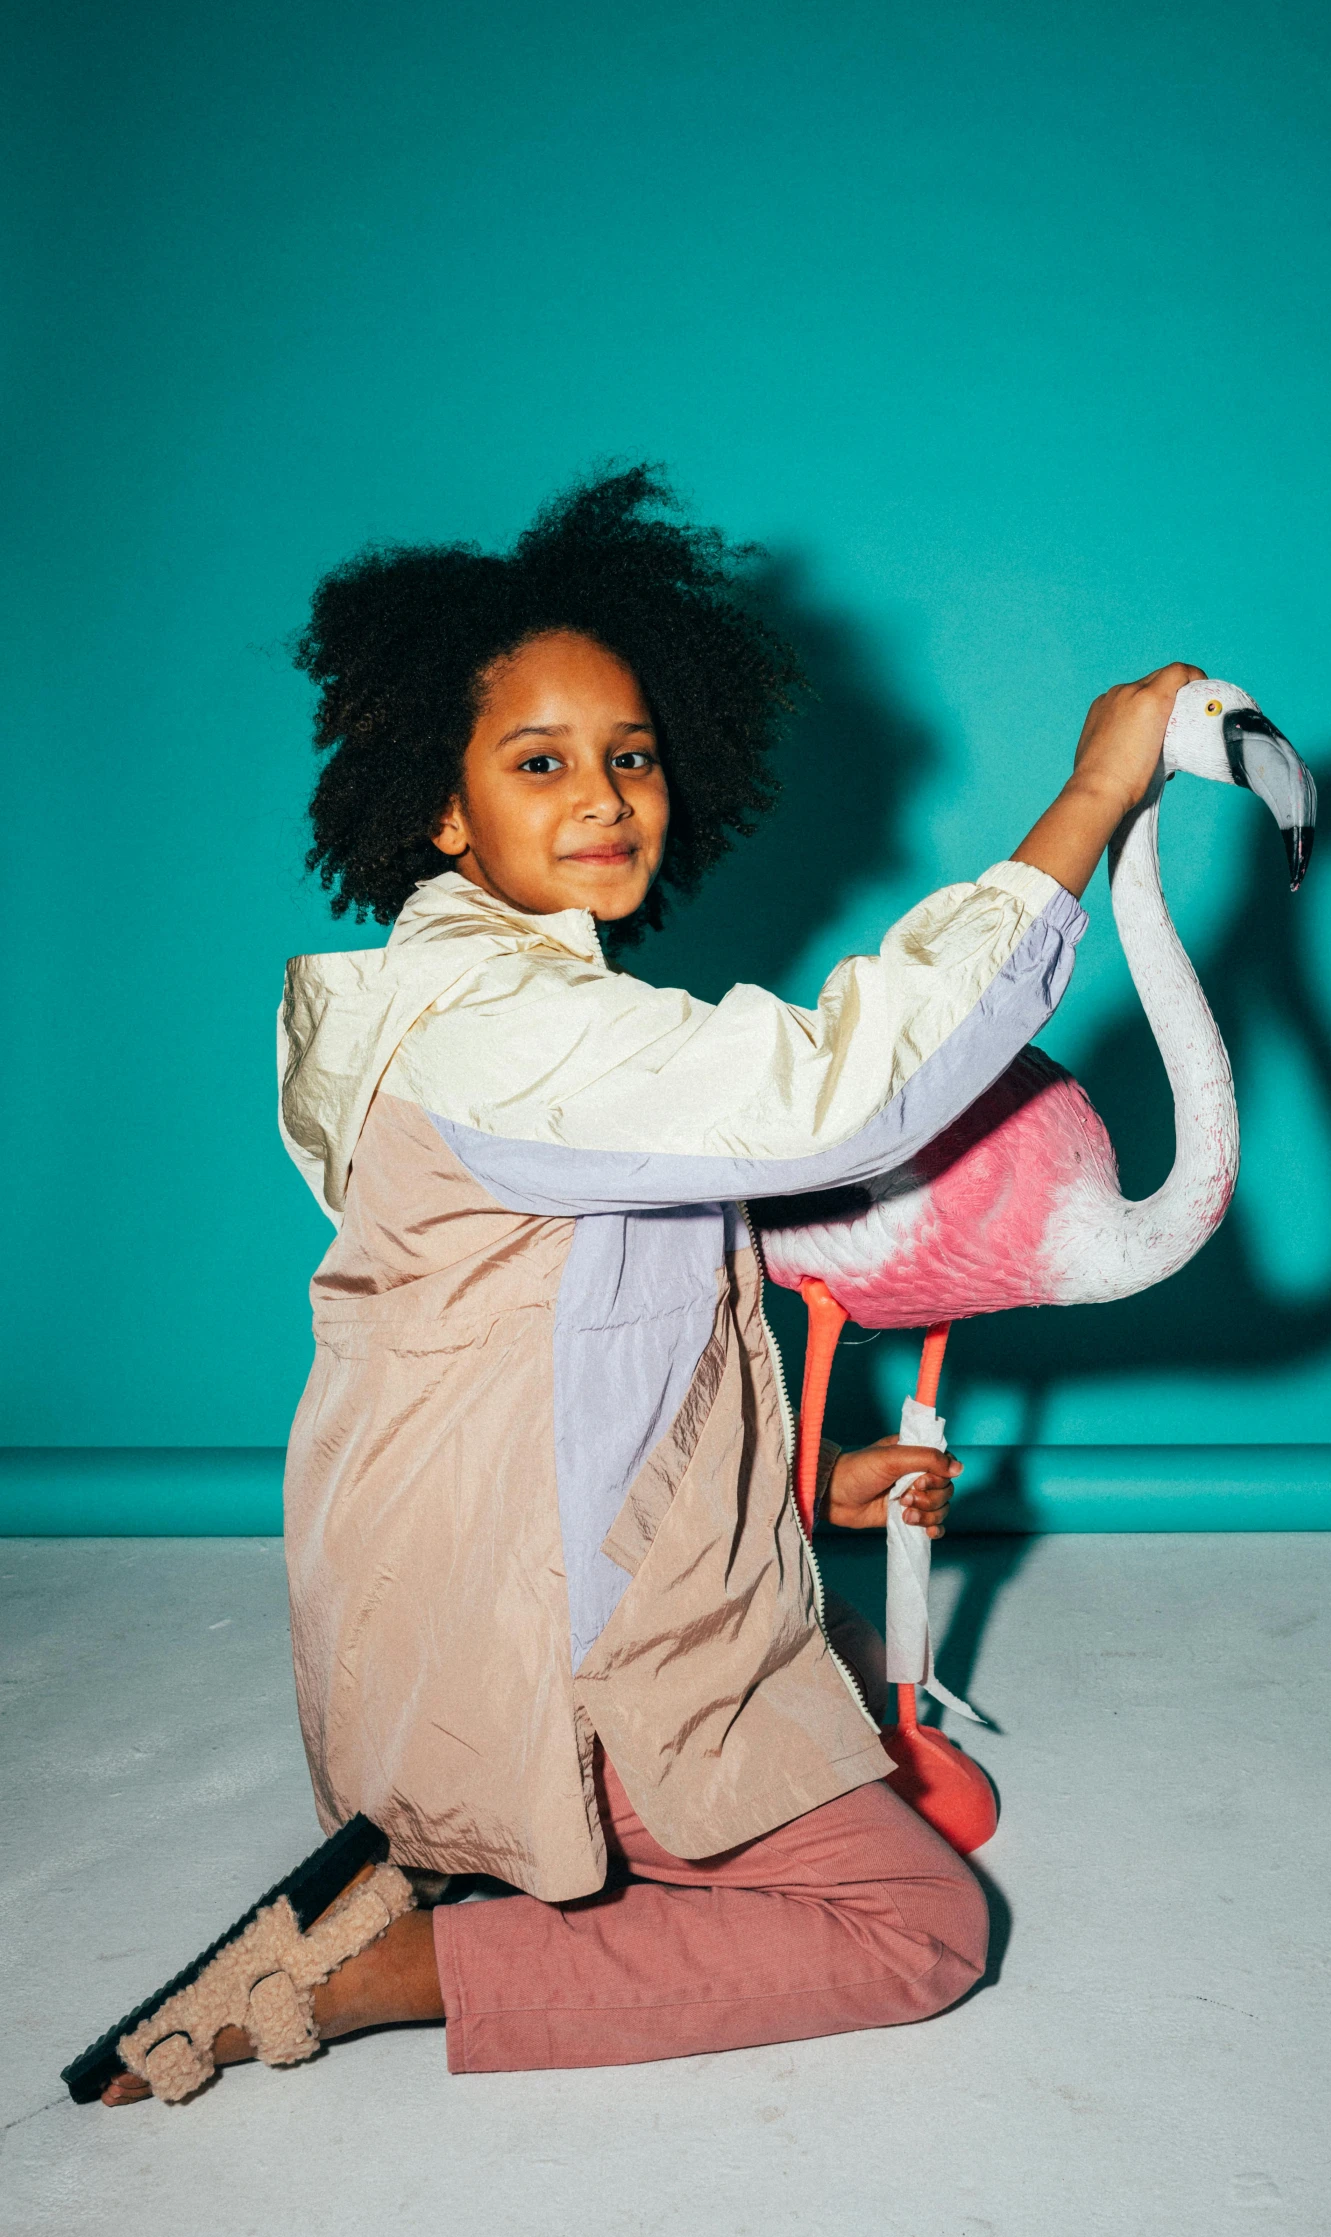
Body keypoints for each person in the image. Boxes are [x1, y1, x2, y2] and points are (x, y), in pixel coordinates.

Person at [102, 468, 1203, 2104]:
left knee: (814, 1639)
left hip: (461, 1585)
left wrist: (794, 1483)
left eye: (628, 754)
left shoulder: (499, 999)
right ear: (444, 804)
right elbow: (850, 1093)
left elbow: (577, 1355)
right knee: (914, 1925)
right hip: (525, 1654)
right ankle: (380, 1970)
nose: (604, 794)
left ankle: (456, 1859)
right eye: (539, 762)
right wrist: (1087, 803)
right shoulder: (510, 1029)